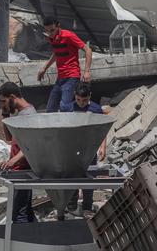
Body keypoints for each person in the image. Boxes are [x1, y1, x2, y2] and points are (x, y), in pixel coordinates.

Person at [61, 83, 104, 218]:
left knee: (89, 179)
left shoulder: (96, 109)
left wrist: (103, 146)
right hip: (71, 150)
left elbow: (102, 129)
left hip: (89, 149)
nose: (81, 103)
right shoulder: (67, 108)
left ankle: (87, 207)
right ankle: (71, 205)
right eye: (78, 100)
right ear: (75, 96)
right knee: (71, 178)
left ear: (89, 97)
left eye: (84, 100)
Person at [0, 82, 37, 223]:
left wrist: (12, 161)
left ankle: (22, 242)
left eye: (4, 101)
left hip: (24, 170)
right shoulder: (19, 115)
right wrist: (5, 115)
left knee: (19, 214)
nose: (3, 104)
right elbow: (9, 138)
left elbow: (31, 146)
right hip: (17, 170)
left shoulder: (29, 115)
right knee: (25, 210)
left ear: (12, 97)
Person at [37, 16, 93, 112]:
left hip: (72, 77)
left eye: (52, 30)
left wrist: (87, 71)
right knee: (51, 108)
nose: (50, 34)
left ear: (58, 26)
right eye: (47, 31)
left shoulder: (68, 36)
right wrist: (44, 68)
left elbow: (88, 50)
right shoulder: (52, 38)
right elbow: (56, 53)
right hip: (60, 78)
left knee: (64, 107)